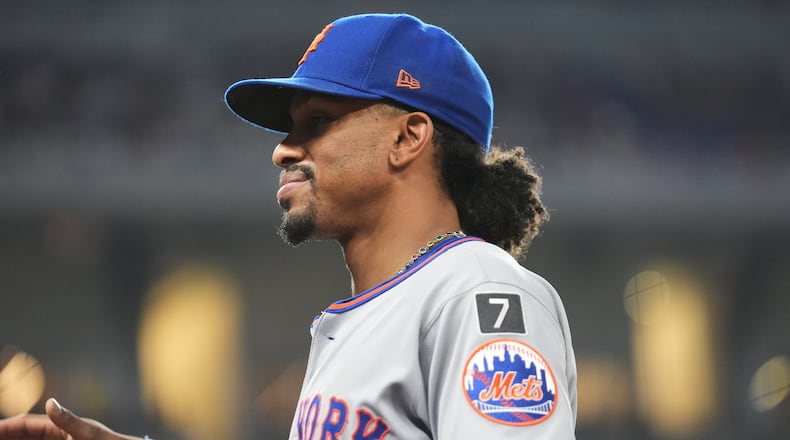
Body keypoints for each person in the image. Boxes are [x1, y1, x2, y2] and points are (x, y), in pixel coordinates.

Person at [0, 13, 576, 440]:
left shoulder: (478, 293)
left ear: (408, 137)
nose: (283, 150)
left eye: (318, 122)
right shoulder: (382, 309)